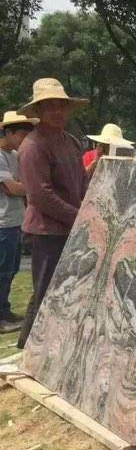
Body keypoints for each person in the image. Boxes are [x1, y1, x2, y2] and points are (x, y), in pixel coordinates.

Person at [16, 78, 89, 348]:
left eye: (61, 105)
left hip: (71, 227)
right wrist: (79, 216)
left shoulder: (71, 142)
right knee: (46, 291)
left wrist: (90, 208)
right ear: (37, 111)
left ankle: (53, 349)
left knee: (68, 290)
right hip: (47, 231)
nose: (57, 111)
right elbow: (40, 196)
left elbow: (82, 181)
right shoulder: (33, 146)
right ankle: (29, 349)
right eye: (49, 106)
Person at [0, 112, 38, 333]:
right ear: (9, 132)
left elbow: (21, 184)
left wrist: (23, 186)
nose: (25, 139)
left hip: (15, 220)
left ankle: (4, 310)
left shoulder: (14, 155)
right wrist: (30, 187)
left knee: (12, 269)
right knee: (2, 271)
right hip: (3, 223)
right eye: (23, 134)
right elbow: (12, 189)